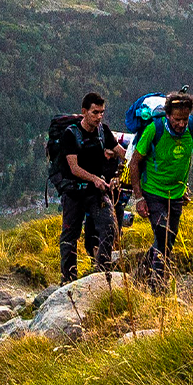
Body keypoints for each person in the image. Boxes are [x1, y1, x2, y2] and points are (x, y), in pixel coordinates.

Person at [129, 90, 193, 286]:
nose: (181, 124)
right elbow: (134, 164)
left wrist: (184, 187)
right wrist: (139, 198)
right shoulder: (154, 129)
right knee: (163, 235)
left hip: (175, 195)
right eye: (177, 119)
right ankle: (157, 285)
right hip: (153, 192)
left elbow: (186, 159)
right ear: (167, 115)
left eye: (185, 119)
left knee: (168, 241)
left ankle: (141, 272)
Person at [58, 93, 127, 284]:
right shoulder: (70, 135)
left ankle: (101, 273)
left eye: (102, 113)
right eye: (95, 112)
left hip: (96, 191)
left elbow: (122, 153)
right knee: (70, 236)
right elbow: (74, 167)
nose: (99, 117)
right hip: (74, 192)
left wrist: (127, 165)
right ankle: (68, 280)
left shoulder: (103, 130)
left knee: (110, 226)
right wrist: (94, 178)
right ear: (84, 112)